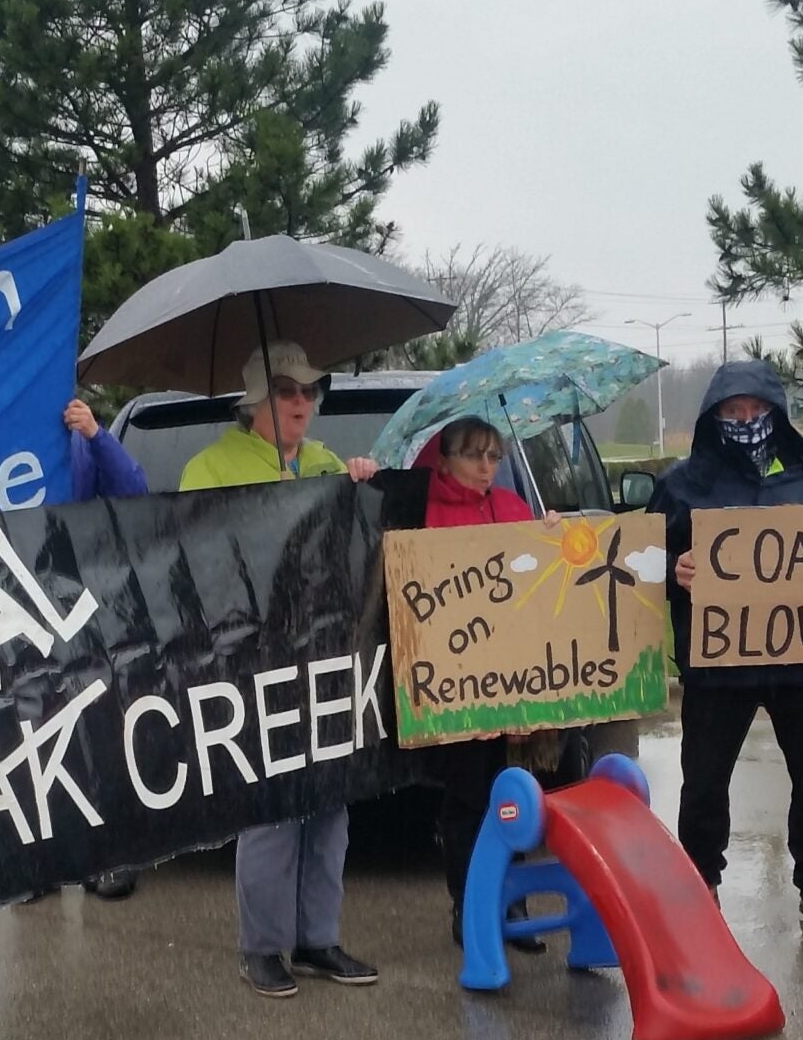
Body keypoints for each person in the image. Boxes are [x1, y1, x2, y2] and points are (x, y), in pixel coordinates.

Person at [179, 341, 382, 997]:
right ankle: (263, 947)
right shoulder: (209, 467)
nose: (302, 403)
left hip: (328, 658)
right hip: (255, 661)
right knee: (270, 807)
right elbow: (192, 562)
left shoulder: (326, 463)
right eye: (287, 391)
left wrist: (363, 487)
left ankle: (317, 938)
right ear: (255, 404)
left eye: (309, 391)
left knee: (329, 805)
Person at [653, 361, 803, 933]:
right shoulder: (682, 485)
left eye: (757, 411)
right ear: (714, 416)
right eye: (733, 412)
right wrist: (672, 570)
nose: (747, 421)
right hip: (718, 666)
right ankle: (699, 883)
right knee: (704, 779)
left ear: (777, 414)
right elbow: (640, 567)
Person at [378, 417, 574, 942]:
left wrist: (551, 537)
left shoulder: (513, 508)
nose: (488, 467)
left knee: (514, 797)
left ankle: (512, 907)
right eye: (475, 456)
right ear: (444, 459)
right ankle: (471, 908)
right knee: (468, 800)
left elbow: (539, 590)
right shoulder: (422, 513)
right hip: (456, 688)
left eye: (495, 456)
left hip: (515, 684)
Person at [61, 396, 151, 900]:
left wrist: (96, 434)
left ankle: (111, 855)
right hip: (14, 604)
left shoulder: (80, 437)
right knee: (30, 731)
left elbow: (133, 489)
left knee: (101, 731)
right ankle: (38, 866)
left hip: (84, 609)